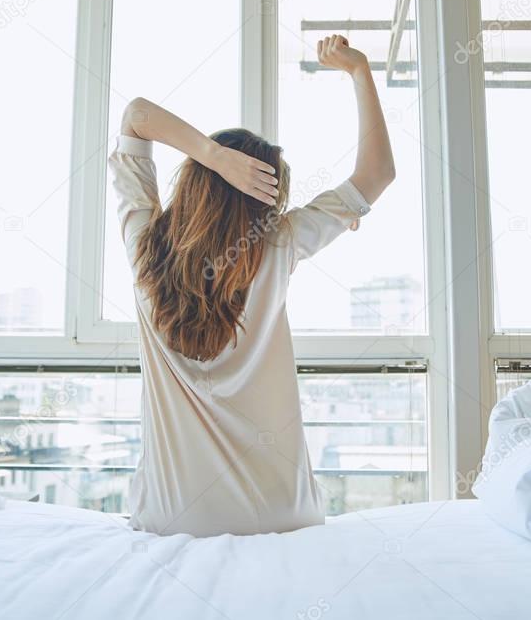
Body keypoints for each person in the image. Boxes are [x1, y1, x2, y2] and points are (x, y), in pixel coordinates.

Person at [109, 35, 396, 537]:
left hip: (175, 519)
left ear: (194, 183)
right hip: (282, 516)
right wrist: (358, 70)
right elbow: (377, 174)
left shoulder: (144, 248)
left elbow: (135, 114)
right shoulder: (279, 243)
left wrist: (211, 154)